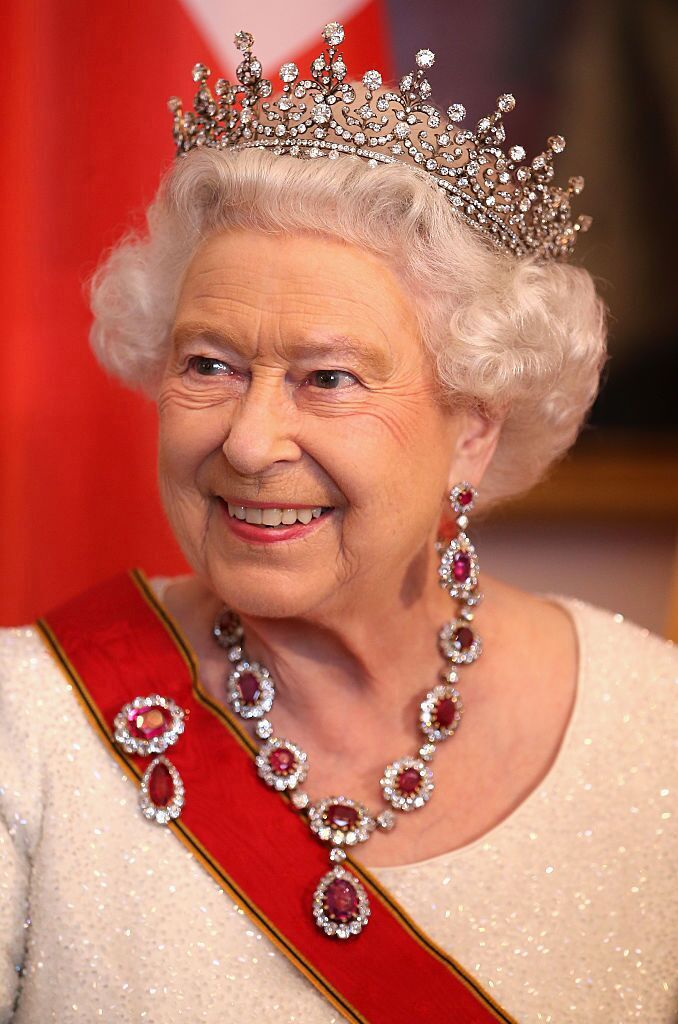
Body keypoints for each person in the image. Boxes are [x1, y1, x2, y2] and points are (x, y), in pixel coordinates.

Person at [1, 20, 675, 1024]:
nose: (248, 440)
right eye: (208, 365)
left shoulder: (656, 731)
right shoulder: (26, 731)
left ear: (473, 429)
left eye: (327, 378)